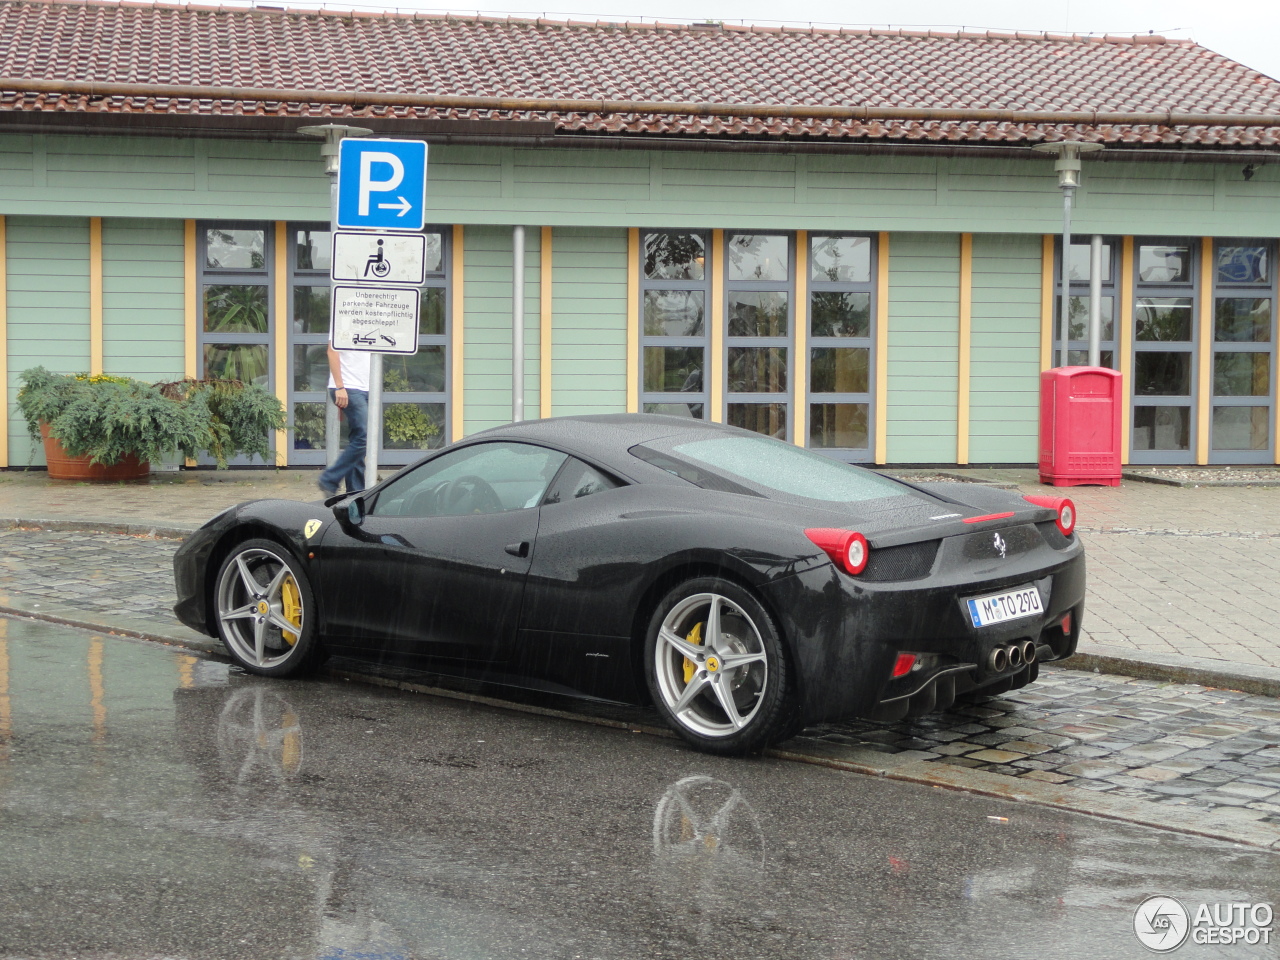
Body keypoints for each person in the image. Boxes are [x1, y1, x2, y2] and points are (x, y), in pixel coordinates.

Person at [317, 344, 371, 497]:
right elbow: (332, 351)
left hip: (366, 388)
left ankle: (355, 494)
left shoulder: (370, 322)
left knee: (358, 439)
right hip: (349, 387)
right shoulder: (342, 321)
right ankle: (329, 479)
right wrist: (340, 387)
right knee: (364, 437)